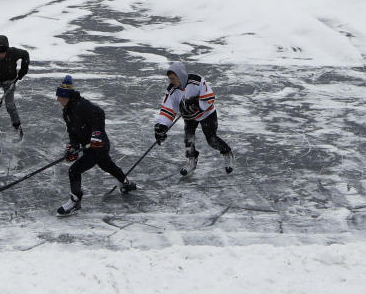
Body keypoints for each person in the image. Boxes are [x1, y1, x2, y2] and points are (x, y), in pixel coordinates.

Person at [55, 75, 136, 216]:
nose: (58, 99)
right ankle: (125, 182)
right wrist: (72, 147)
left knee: (74, 171)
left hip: (99, 146)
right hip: (88, 147)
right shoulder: (67, 112)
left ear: (67, 96)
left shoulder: (82, 105)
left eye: (60, 97)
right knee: (107, 165)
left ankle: (75, 202)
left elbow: (99, 114)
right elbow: (72, 132)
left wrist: (96, 135)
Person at [153, 61, 234, 176]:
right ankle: (191, 161)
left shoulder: (197, 81)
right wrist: (162, 125)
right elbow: (168, 109)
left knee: (211, 139)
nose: (171, 81)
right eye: (169, 79)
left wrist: (196, 104)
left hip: (207, 114)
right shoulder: (172, 90)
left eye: (173, 78)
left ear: (180, 76)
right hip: (189, 117)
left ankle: (227, 153)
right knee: (188, 140)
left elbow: (210, 97)